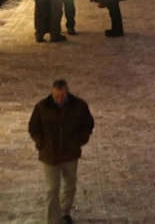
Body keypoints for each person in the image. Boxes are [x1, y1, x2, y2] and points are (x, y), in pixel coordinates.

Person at [28, 79, 94, 224]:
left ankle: (65, 212)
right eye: (56, 96)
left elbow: (88, 125)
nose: (59, 100)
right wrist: (41, 144)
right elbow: (33, 128)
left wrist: (80, 141)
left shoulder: (79, 106)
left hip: (70, 153)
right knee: (52, 189)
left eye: (62, 96)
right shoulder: (42, 107)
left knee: (70, 183)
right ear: (52, 94)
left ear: (67, 92)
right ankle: (52, 220)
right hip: (49, 155)